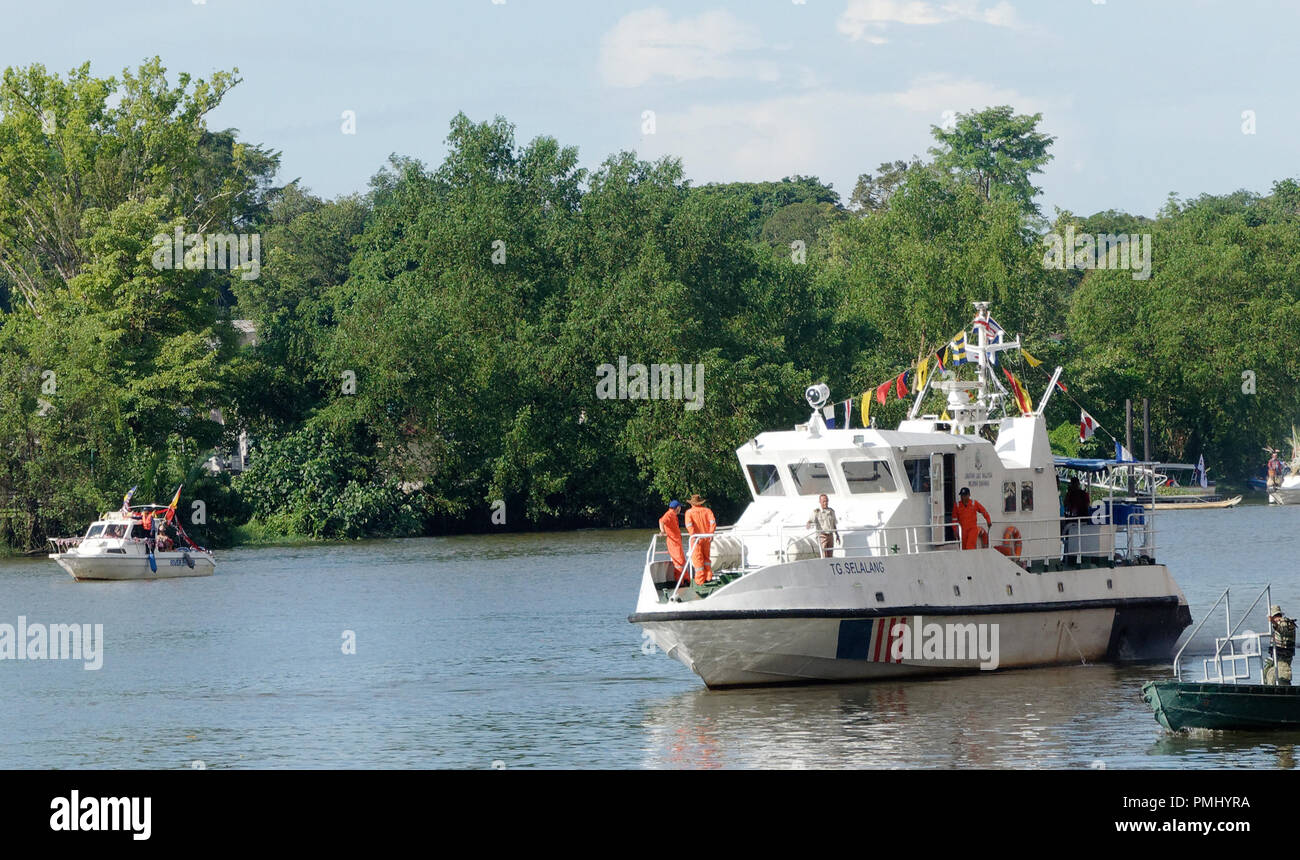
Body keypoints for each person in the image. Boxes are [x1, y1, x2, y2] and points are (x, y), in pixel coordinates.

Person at [684, 494, 716, 585]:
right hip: (706, 538)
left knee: (698, 561)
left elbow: (689, 525)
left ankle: (700, 581)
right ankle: (708, 577)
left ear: (691, 503)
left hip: (696, 539)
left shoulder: (689, 512)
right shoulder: (707, 511)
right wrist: (710, 533)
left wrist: (694, 536)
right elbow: (712, 522)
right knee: (706, 559)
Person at [1264, 605, 1296, 686]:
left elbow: (1281, 629)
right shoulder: (1282, 623)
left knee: (1282, 679)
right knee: (1269, 673)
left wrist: (1273, 622)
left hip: (1283, 661)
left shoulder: (1286, 623)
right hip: (1277, 660)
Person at [658, 500, 686, 583]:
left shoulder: (672, 514)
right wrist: (662, 531)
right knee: (679, 561)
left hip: (676, 541)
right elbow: (661, 521)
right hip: (673, 542)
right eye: (680, 507)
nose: (680, 509)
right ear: (677, 508)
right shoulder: (669, 514)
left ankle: (684, 580)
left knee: (681, 561)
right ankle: (680, 582)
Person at [806, 493, 838, 558]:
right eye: (823, 501)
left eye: (826, 501)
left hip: (830, 535)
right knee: (824, 554)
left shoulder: (831, 511)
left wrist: (837, 535)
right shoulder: (817, 512)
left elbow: (833, 524)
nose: (825, 503)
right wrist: (808, 523)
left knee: (830, 555)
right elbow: (811, 520)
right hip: (822, 535)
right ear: (820, 502)